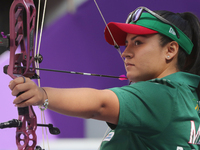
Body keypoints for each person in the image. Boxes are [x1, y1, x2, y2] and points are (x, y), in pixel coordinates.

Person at [9, 6, 200, 150]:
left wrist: (42, 95)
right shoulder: (183, 96)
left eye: (138, 43)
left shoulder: (161, 94)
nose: (126, 53)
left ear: (170, 50)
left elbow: (100, 104)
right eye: (126, 44)